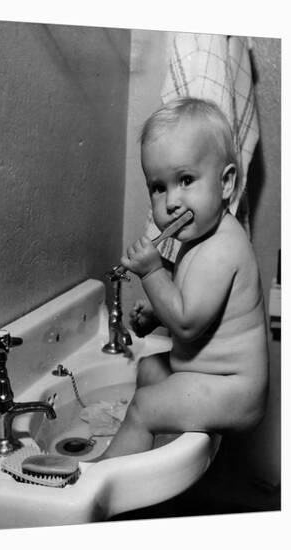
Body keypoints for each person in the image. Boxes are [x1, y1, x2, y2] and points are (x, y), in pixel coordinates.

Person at [100, 97, 268, 459]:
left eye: (186, 180)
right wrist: (157, 312)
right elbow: (199, 305)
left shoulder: (223, 247)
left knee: (145, 406)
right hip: (210, 379)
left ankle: (101, 475)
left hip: (232, 389)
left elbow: (190, 324)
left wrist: (152, 272)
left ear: (225, 184)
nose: (172, 201)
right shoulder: (200, 238)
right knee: (147, 370)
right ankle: (141, 447)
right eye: (158, 187)